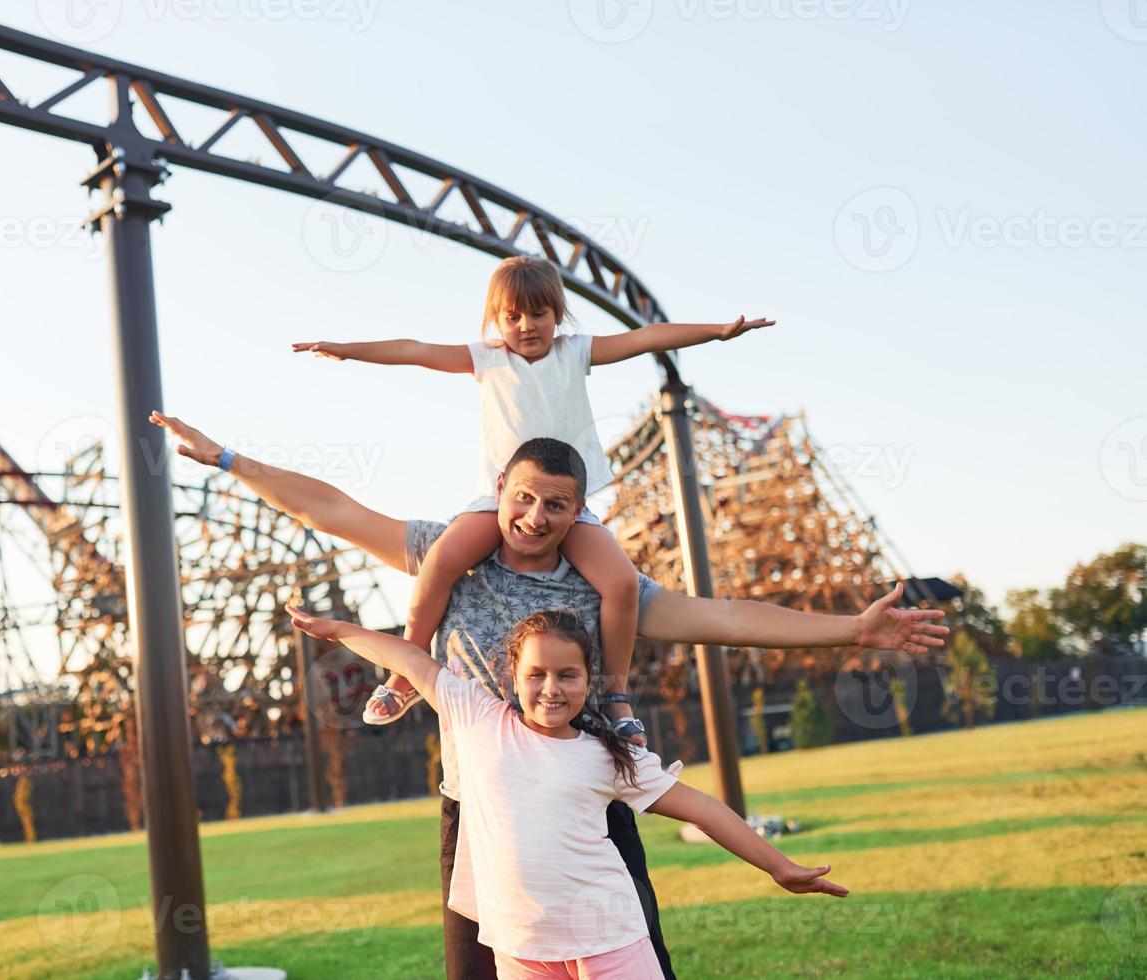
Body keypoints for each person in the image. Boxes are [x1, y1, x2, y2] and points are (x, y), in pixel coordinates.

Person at [148, 413, 949, 978]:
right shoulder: (449, 553)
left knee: (632, 962)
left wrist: (851, 629)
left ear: (578, 510)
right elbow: (332, 510)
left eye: (556, 505)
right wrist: (227, 459)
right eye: (522, 498)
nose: (534, 518)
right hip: (481, 811)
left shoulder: (607, 585)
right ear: (499, 489)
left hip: (588, 802)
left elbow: (728, 615)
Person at [292, 254, 775, 740]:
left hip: (568, 506)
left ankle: (617, 695)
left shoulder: (575, 352)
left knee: (623, 585)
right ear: (495, 320)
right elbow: (414, 349)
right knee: (439, 561)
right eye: (512, 316)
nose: (526, 326)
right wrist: (348, 349)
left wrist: (716, 331)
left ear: (558, 314)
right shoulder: (487, 358)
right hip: (504, 504)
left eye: (538, 314)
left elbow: (645, 338)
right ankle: (405, 671)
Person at [286, 603, 848, 979]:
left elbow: (698, 805)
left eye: (568, 676)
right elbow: (407, 658)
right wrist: (336, 631)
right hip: (521, 943)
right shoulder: (477, 716)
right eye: (537, 675)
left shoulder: (607, 754)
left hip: (610, 935)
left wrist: (777, 865)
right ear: (513, 675)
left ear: (589, 679)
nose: (551, 689)